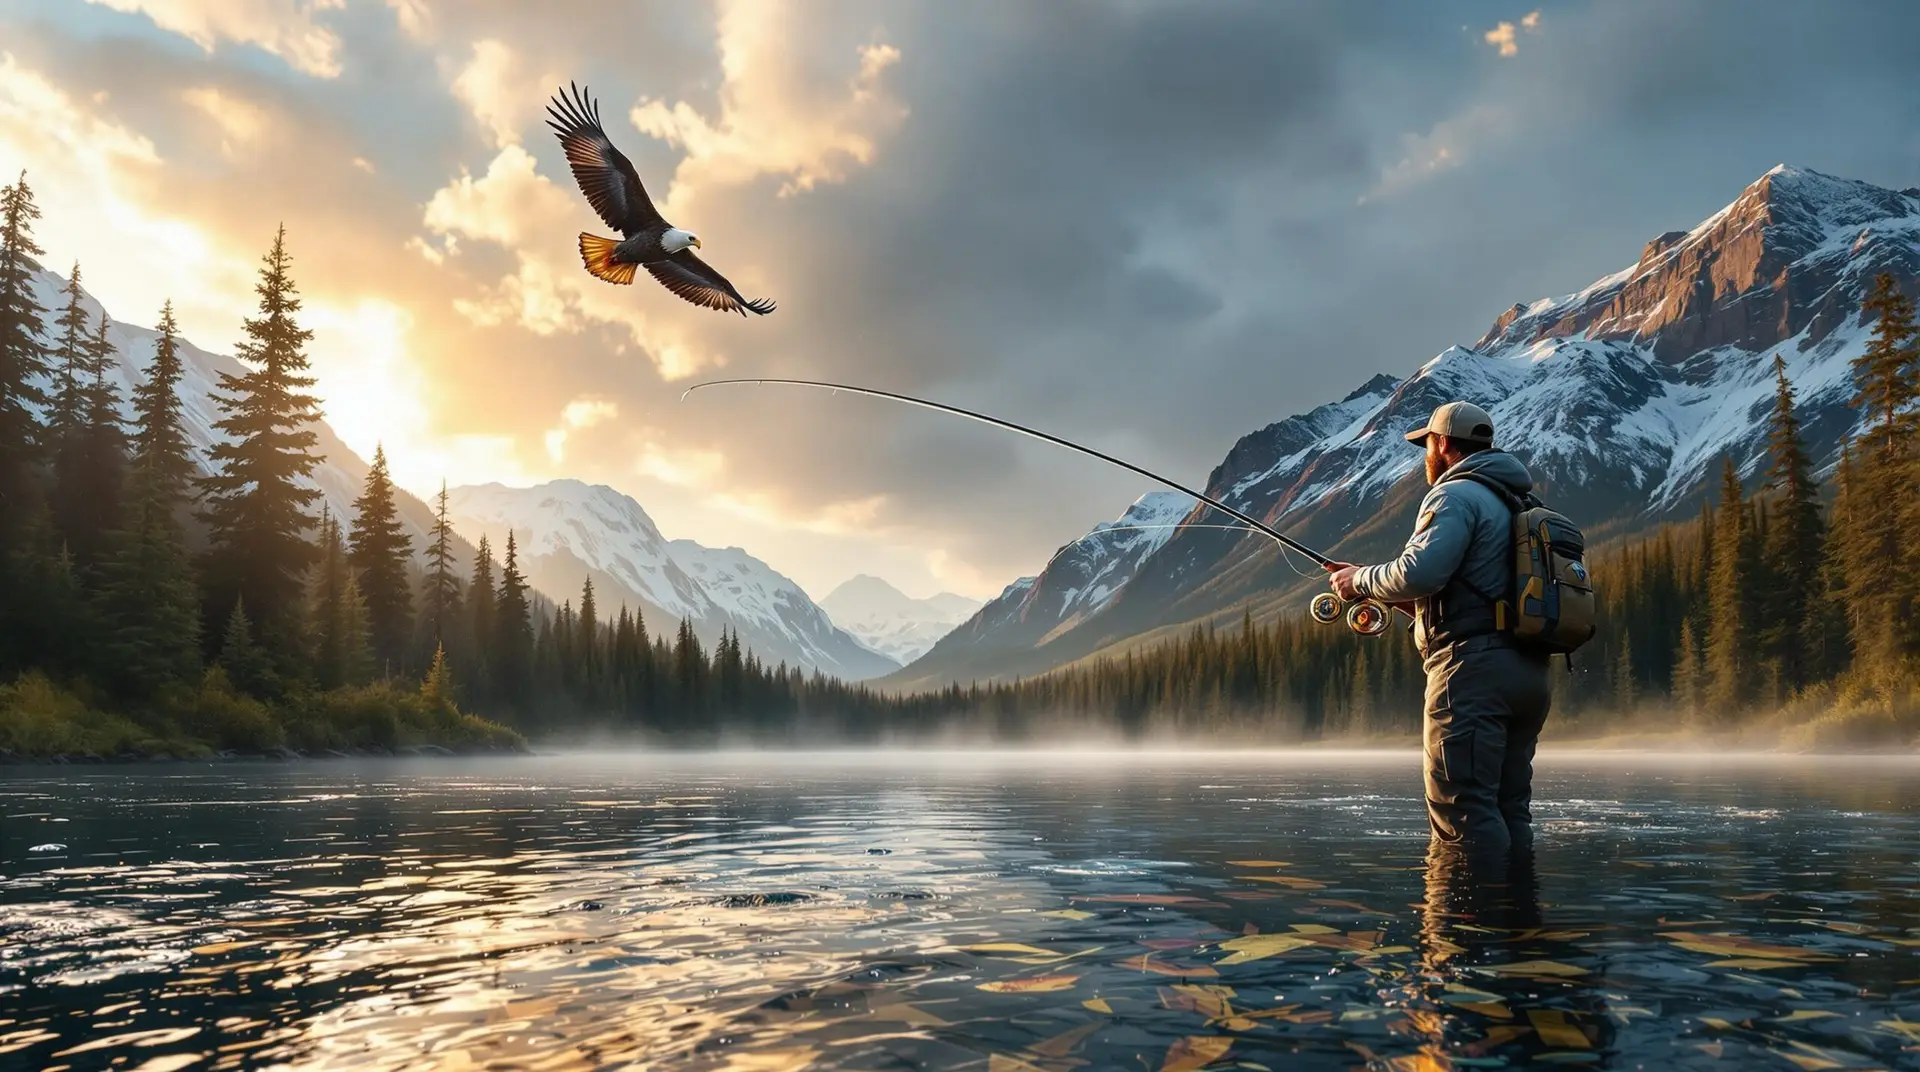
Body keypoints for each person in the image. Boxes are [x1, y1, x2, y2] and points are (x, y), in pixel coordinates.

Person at [1324, 401, 1552, 855]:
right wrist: (1397, 601)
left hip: (1472, 674)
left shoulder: (1455, 494)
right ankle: (1517, 918)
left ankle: (1462, 924)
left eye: (1426, 443)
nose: (1425, 454)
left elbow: (1421, 571)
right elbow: (1472, 592)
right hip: (1528, 671)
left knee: (1462, 809)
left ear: (1443, 442)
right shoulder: (1518, 502)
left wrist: (1359, 580)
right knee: (1509, 807)